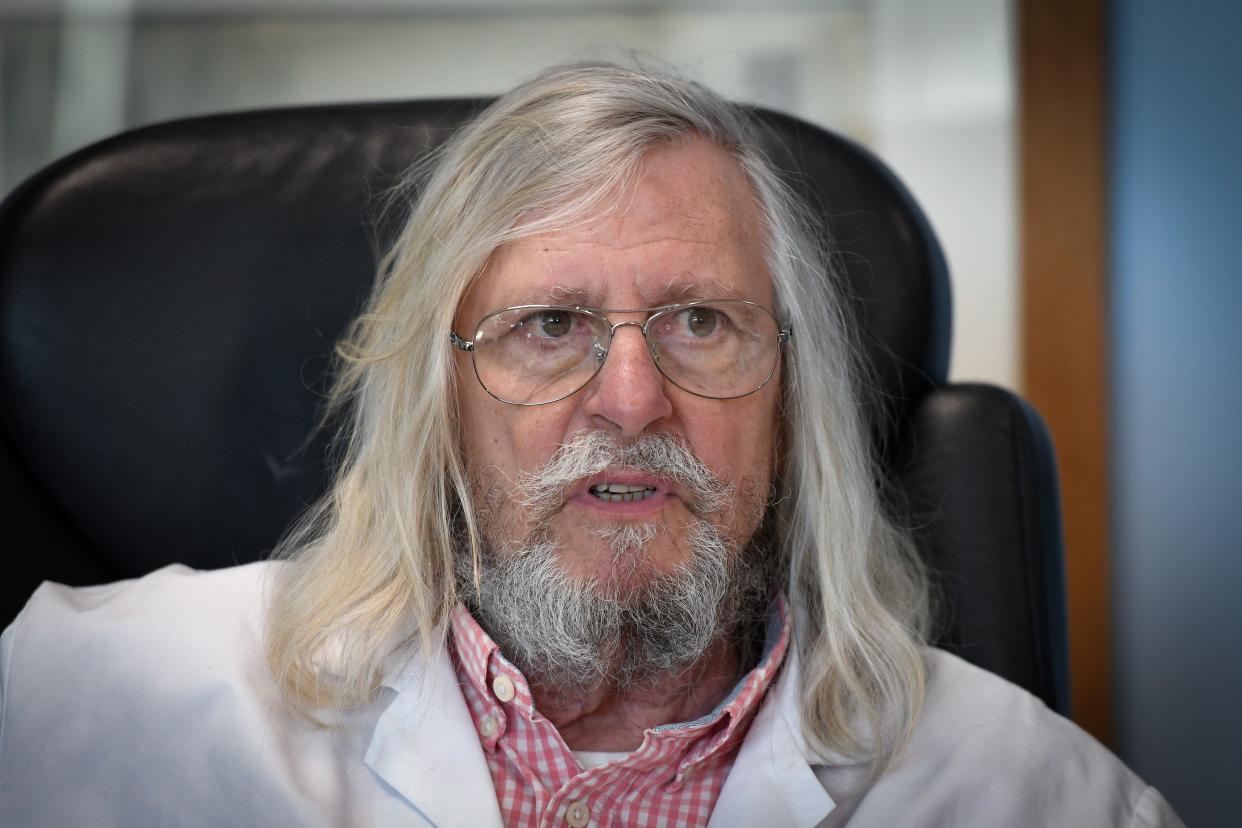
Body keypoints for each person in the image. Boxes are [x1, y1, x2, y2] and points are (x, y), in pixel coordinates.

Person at [0, 62, 1180, 828]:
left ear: (790, 403)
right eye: (549, 326)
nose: (630, 399)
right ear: (438, 405)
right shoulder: (100, 698)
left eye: (702, 323)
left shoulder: (1035, 793)